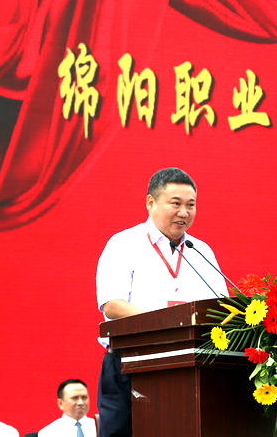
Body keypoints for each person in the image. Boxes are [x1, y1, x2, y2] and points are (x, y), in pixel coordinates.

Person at [95, 167, 228, 437]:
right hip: (130, 365)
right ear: (150, 202)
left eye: (191, 205)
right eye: (176, 204)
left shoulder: (201, 251)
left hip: (190, 369)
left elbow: (221, 308)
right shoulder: (123, 244)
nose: (184, 212)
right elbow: (112, 305)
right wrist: (166, 323)